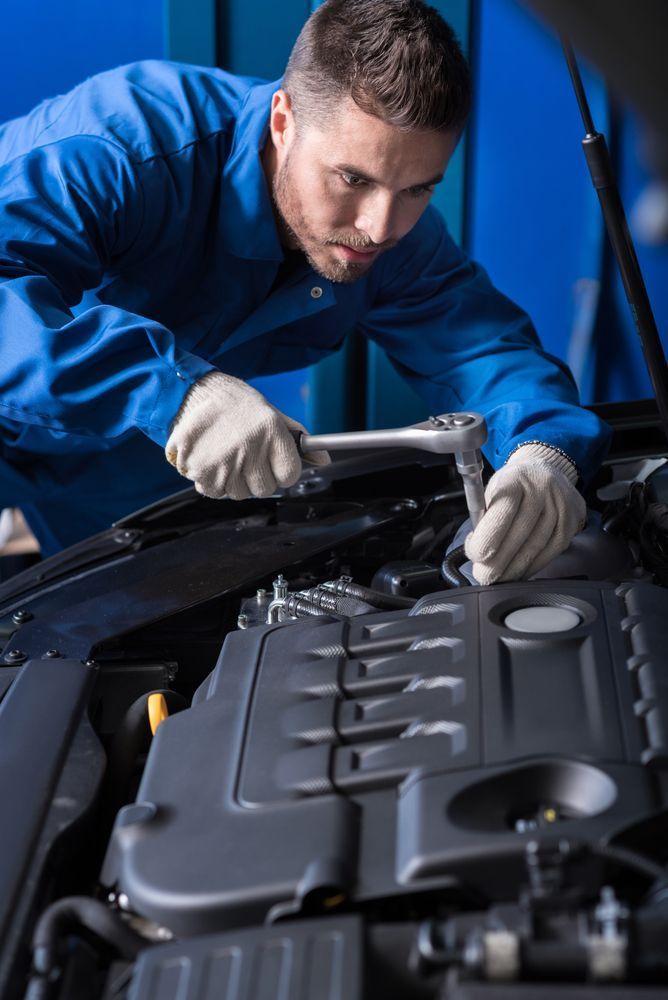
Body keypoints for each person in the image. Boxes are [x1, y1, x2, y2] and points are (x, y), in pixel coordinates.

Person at [0, 0, 610, 583]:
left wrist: (543, 453)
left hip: (124, 462)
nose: (378, 226)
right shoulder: (124, 145)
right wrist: (176, 395)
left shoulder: (396, 239)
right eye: (352, 178)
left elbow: (483, 352)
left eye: (419, 189)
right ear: (283, 120)